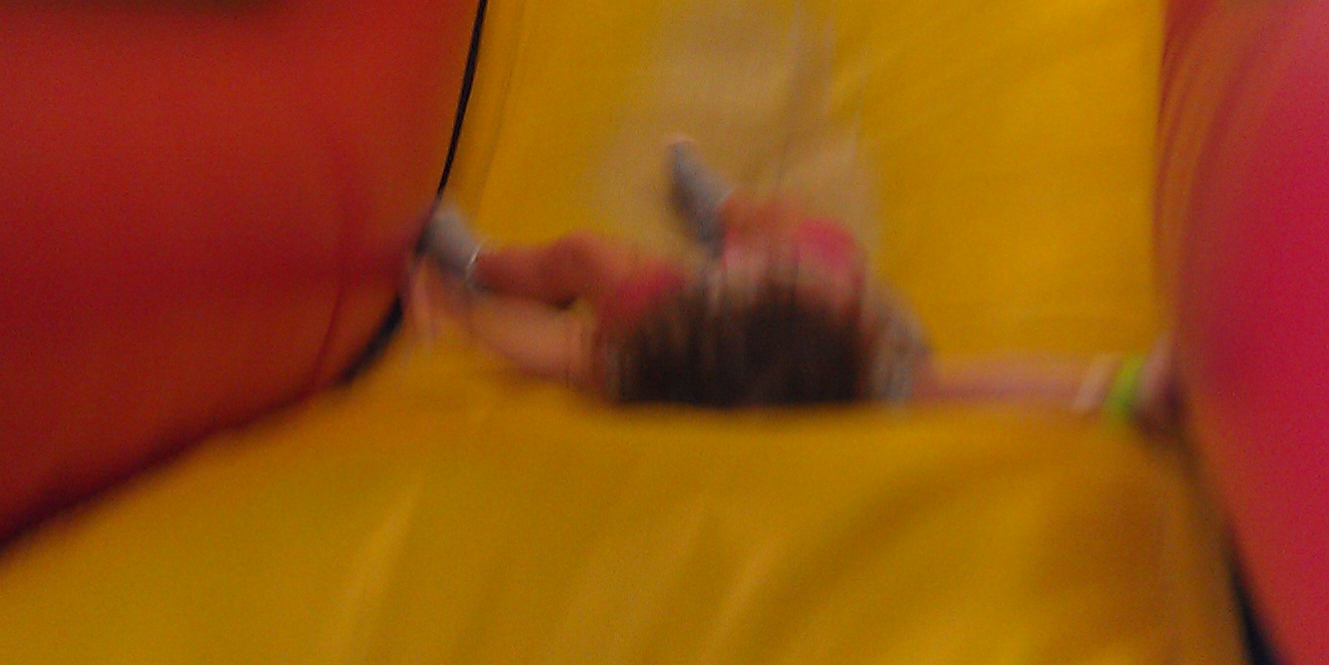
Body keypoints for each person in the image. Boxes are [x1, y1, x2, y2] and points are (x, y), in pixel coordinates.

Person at [410, 140, 1176, 424]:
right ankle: (727, 212)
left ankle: (478, 267)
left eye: (770, 270)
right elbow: (1001, 382)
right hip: (753, 316)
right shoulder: (880, 364)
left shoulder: (663, 339)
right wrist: (1124, 386)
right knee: (796, 227)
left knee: (586, 259)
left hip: (704, 315)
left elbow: (566, 350)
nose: (796, 265)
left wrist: (462, 314)